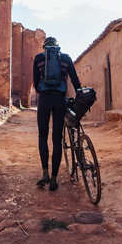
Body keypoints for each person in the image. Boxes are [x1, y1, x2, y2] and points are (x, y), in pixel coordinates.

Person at [33, 36, 81, 191]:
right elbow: (75, 80)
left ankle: (45, 173)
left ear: (45, 47)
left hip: (44, 100)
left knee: (42, 136)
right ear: (58, 47)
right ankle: (54, 179)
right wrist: (79, 94)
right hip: (60, 100)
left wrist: (42, 91)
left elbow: (35, 82)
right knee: (57, 139)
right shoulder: (66, 59)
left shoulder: (39, 58)